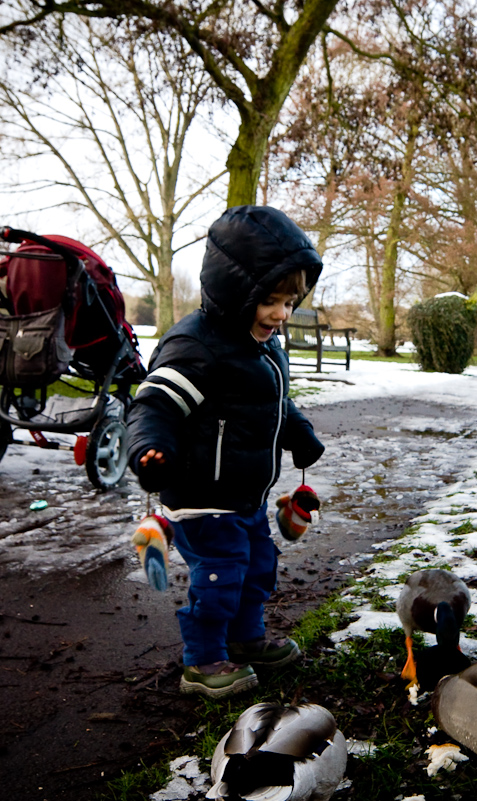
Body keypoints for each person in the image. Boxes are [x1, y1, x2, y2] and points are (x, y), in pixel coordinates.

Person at [126, 205, 326, 698]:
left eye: (289, 302)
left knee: (257, 568)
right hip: (201, 494)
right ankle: (203, 660)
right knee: (220, 578)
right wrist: (150, 448)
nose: (281, 315)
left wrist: (297, 433)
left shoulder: (265, 345)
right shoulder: (197, 347)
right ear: (237, 292)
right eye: (271, 302)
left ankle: (245, 639)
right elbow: (154, 405)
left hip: (247, 495)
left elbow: (275, 402)